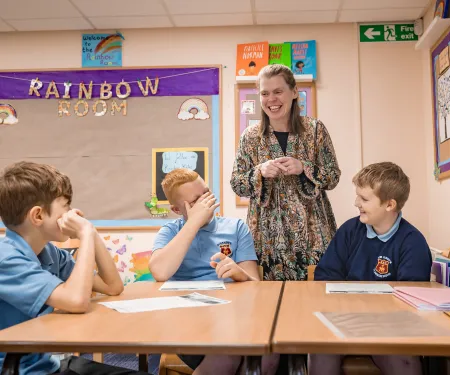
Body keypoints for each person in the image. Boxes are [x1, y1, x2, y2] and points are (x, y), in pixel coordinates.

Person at [0, 161, 148, 375]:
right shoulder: (6, 258)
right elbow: (76, 301)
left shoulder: (49, 252)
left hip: (47, 365)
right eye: (66, 207)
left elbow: (112, 286)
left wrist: (92, 232)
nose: (73, 213)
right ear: (38, 216)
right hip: (17, 370)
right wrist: (85, 235)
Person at [149, 168, 278, 375]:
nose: (205, 203)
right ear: (176, 209)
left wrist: (239, 273)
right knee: (227, 353)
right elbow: (160, 272)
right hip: (189, 324)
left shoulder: (235, 227)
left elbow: (255, 283)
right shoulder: (171, 232)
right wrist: (193, 222)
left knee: (269, 355)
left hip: (233, 316)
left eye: (207, 193)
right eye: (195, 201)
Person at [310, 162, 432, 375]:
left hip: (390, 329)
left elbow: (410, 299)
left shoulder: (413, 242)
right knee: (321, 351)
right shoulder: (349, 230)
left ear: (389, 204)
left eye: (364, 199)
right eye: (358, 196)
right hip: (343, 320)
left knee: (404, 363)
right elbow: (324, 277)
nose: (356, 203)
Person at [230, 64, 341, 281]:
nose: (271, 99)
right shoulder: (250, 137)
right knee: (268, 305)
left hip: (313, 237)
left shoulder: (315, 130)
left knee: (315, 302)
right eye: (265, 93)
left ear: (293, 93)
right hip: (266, 239)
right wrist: (258, 171)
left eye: (278, 92)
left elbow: (333, 176)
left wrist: (304, 168)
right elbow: (237, 183)